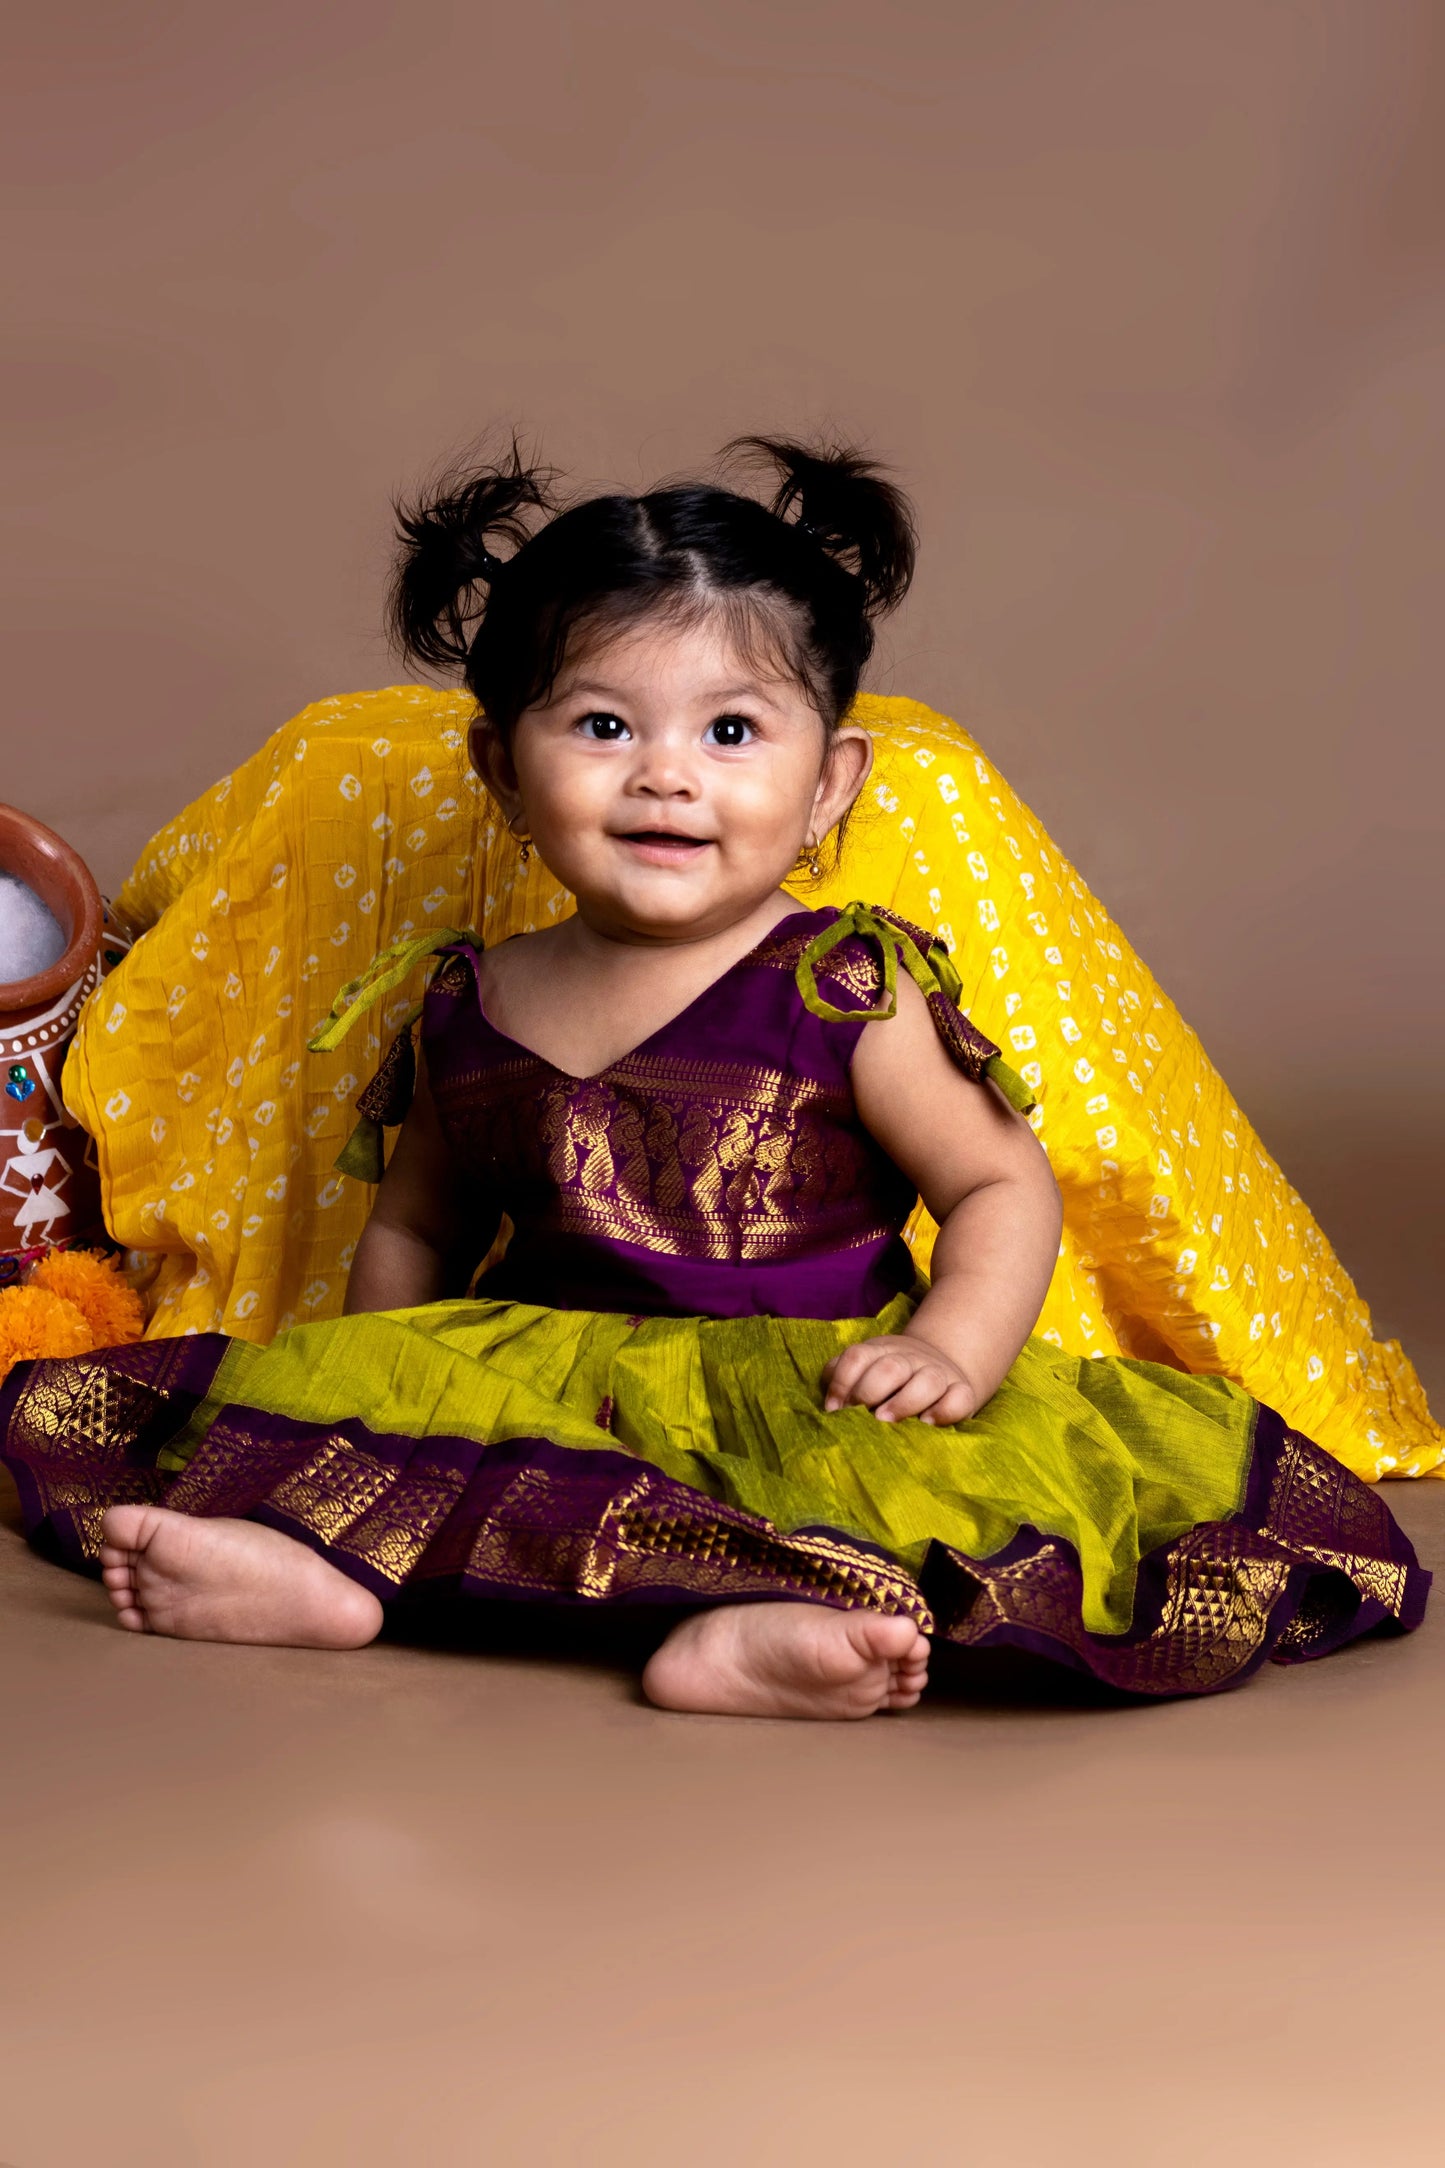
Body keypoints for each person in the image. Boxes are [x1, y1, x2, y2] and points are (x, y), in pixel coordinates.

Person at [0, 438, 1426, 1715]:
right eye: (603, 727)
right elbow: (417, 1226)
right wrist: (374, 1401)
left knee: (864, 1513)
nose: (666, 777)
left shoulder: (841, 985)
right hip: (541, 1370)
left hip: (798, 1388)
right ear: (502, 766)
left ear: (828, 784)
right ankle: (326, 1577)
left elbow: (996, 1180)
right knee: (403, 1476)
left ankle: (755, 1627)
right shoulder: (467, 1000)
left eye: (730, 732)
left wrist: (950, 1350)